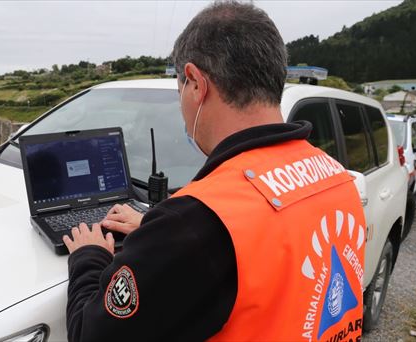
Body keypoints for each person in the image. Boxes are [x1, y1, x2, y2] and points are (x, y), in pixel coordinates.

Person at [63, 2, 366, 341]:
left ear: (195, 83)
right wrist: (153, 230)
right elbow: (272, 255)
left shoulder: (195, 223)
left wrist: (89, 256)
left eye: (180, 90)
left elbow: (90, 336)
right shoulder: (336, 176)